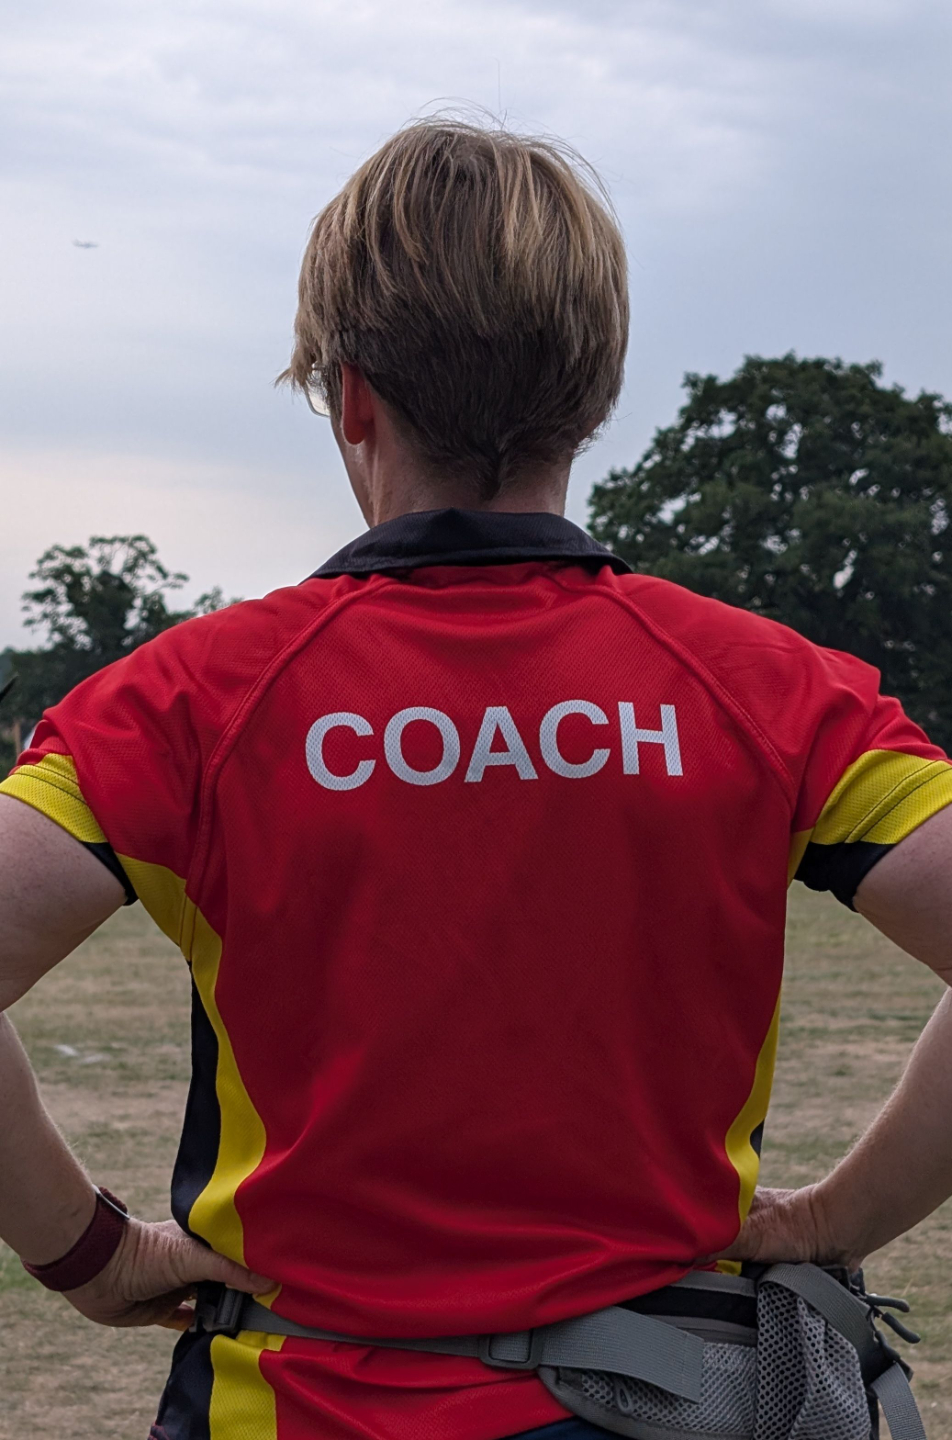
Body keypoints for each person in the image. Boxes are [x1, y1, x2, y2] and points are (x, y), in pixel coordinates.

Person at [1, 118, 951, 1440]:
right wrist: (834, 1221)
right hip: (668, 1396)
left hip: (298, 1401)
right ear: (597, 394)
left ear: (350, 399)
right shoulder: (764, 688)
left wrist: (89, 1255)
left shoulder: (187, 704)